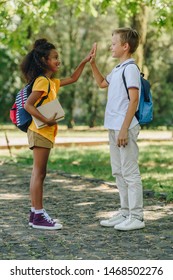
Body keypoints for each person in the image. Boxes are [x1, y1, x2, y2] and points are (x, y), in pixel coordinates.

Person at [22, 38, 94, 230]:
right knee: (39, 173)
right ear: (44, 60)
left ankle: (34, 213)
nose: (58, 61)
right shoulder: (42, 82)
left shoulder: (50, 82)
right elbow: (28, 105)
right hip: (40, 131)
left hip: (43, 133)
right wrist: (46, 120)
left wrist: (85, 61)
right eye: (55, 57)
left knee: (39, 173)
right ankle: (38, 214)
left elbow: (73, 78)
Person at [90, 27, 145, 231]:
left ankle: (137, 217)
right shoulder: (118, 68)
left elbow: (134, 100)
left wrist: (123, 130)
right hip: (113, 127)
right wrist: (93, 63)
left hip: (125, 128)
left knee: (130, 172)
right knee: (119, 172)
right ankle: (124, 212)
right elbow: (102, 83)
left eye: (114, 43)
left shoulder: (130, 69)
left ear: (125, 46)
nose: (110, 46)